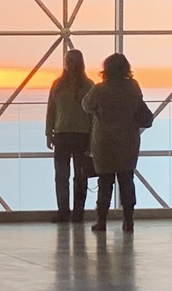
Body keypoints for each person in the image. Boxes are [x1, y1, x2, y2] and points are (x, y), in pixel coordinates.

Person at [82, 53, 143, 233]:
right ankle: (128, 220)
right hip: (128, 141)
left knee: (105, 182)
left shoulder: (100, 89)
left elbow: (85, 105)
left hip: (105, 142)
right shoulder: (133, 87)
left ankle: (101, 221)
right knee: (127, 180)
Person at [45, 49, 94, 223]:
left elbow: (93, 116)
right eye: (68, 60)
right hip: (63, 134)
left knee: (80, 175)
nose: (69, 63)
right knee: (61, 176)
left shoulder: (88, 86)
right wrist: (49, 132)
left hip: (81, 135)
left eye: (72, 60)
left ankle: (77, 212)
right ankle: (64, 211)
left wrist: (92, 140)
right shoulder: (59, 85)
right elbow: (51, 109)